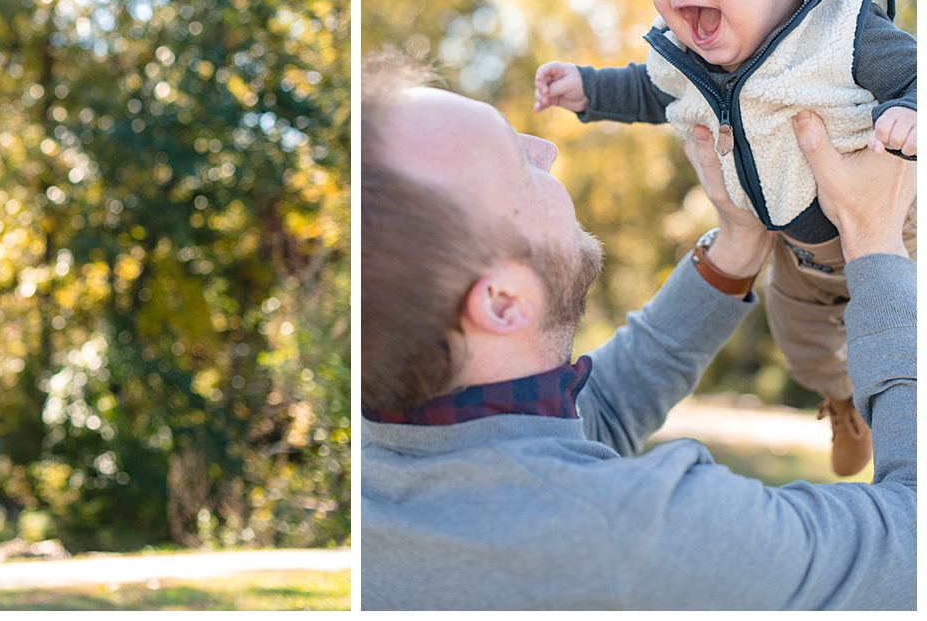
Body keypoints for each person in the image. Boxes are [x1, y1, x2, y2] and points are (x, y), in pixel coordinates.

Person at [359, 61, 916, 609]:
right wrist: (874, 241)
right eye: (514, 161)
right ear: (503, 302)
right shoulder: (645, 537)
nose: (545, 151)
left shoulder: (385, 465)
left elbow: (594, 415)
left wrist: (737, 247)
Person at [532, 0, 918, 474]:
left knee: (907, 330)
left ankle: (900, 423)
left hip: (894, 223)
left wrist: (907, 111)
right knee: (802, 343)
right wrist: (588, 89)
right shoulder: (690, 62)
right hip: (797, 252)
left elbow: (914, 72)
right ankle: (842, 401)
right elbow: (647, 91)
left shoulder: (842, 29)